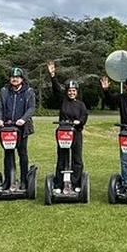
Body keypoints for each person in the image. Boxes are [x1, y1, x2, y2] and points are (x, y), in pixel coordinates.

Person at [47, 61, 88, 192]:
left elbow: (84, 116)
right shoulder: (62, 101)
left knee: (77, 159)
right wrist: (53, 75)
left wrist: (79, 122)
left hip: (76, 133)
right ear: (67, 92)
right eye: (69, 91)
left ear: (77, 92)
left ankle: (75, 183)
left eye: (73, 91)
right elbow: (56, 90)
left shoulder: (81, 105)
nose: (71, 93)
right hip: (63, 133)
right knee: (62, 158)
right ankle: (59, 184)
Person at [0, 67, 36, 191]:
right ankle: (8, 180)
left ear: (22, 79)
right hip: (7, 127)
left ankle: (23, 180)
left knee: (22, 154)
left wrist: (23, 119)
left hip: (22, 128)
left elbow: (31, 108)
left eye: (17, 77)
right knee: (8, 154)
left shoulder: (28, 91)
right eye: (13, 77)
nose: (15, 79)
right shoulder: (4, 91)